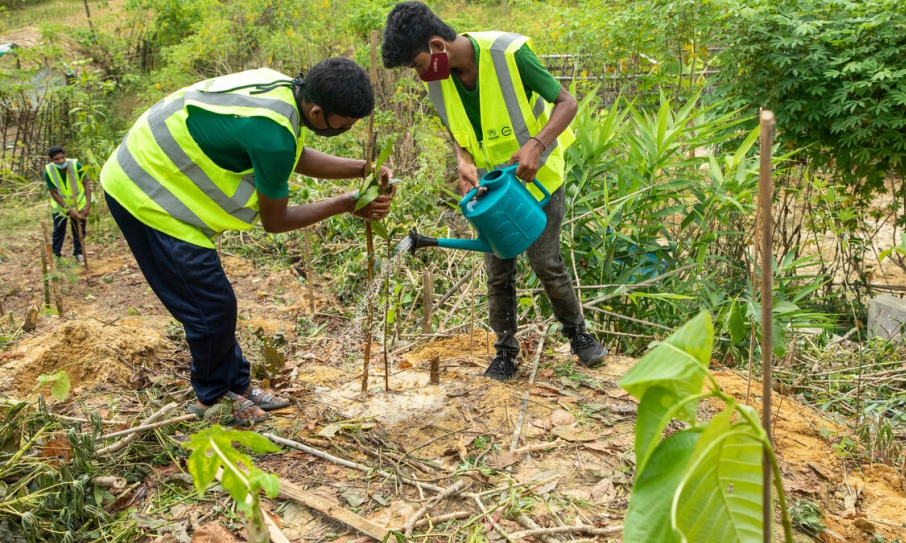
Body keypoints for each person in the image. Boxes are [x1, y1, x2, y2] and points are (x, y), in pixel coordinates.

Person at [100, 58, 395, 425]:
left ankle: (235, 386)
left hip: (152, 167)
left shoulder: (283, 90)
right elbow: (277, 220)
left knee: (217, 304)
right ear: (317, 112)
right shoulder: (272, 135)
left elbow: (293, 154)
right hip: (145, 191)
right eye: (344, 125)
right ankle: (214, 398)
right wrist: (345, 204)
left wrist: (361, 167)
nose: (347, 129)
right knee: (210, 307)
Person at [382, 2, 607, 382]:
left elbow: (567, 103)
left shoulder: (508, 54)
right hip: (492, 189)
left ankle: (579, 336)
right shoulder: (439, 79)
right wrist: (463, 159)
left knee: (545, 262)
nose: (419, 76)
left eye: (418, 65)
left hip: (539, 179)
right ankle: (505, 353)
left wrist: (536, 145)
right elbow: (456, 128)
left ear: (437, 46)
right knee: (497, 269)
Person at [44, 145, 91, 264]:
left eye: (62, 157)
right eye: (57, 159)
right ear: (51, 160)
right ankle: (56, 256)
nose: (61, 161)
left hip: (79, 204)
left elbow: (86, 184)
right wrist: (68, 208)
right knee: (59, 231)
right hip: (60, 206)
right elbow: (54, 193)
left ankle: (79, 253)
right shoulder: (49, 171)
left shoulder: (76, 165)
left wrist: (88, 204)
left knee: (79, 230)